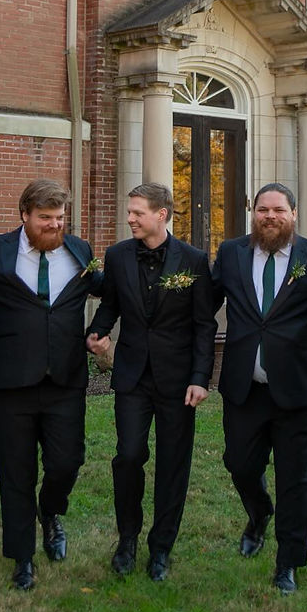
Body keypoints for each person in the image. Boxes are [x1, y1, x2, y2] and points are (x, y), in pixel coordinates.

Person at [0, 179, 103, 592]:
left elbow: (109, 291)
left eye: (60, 219)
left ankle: (51, 511)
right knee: (15, 471)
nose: (54, 226)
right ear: (24, 215)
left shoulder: (81, 252)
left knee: (67, 462)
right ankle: (22, 557)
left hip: (65, 379)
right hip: (10, 382)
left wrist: (99, 329)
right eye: (45, 219)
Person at [85, 183, 216, 582]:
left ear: (162, 214)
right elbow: (111, 303)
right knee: (128, 456)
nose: (130, 219)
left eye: (137, 212)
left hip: (178, 380)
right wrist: (98, 332)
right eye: (129, 211)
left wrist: (199, 377)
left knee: (173, 465)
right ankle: (127, 538)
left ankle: (161, 547)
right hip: (132, 375)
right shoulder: (118, 256)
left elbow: (204, 325)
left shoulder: (193, 260)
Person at [212, 183, 307, 594]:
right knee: (240, 465)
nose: (270, 216)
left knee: (295, 478)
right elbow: (204, 304)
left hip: (298, 391)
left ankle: (289, 561)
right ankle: (259, 512)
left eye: (278, 210)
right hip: (245, 388)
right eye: (262, 209)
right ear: (253, 212)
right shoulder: (231, 253)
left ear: (294, 213)